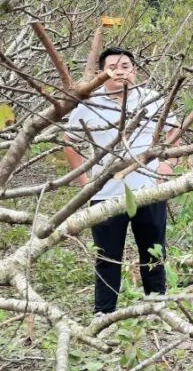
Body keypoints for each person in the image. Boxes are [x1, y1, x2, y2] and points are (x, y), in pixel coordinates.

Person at [63, 47, 177, 314]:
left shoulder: (152, 100)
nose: (120, 71)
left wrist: (167, 164)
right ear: (102, 73)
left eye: (126, 66)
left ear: (135, 71)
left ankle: (156, 306)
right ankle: (104, 313)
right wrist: (84, 181)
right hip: (106, 193)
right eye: (113, 67)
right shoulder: (89, 105)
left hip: (148, 190)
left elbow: (175, 129)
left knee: (153, 251)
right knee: (106, 256)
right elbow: (69, 142)